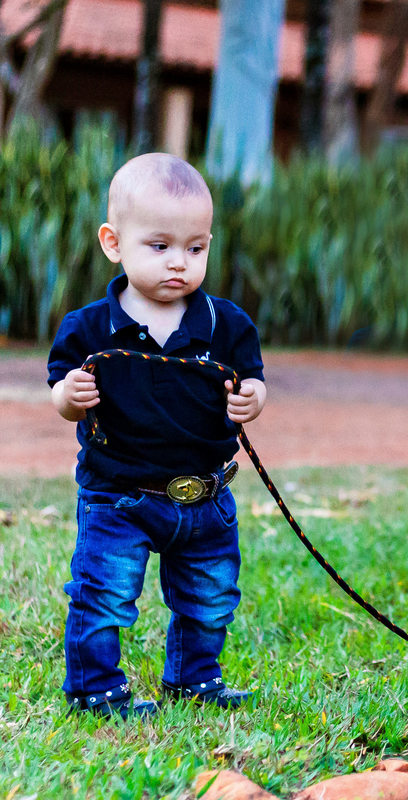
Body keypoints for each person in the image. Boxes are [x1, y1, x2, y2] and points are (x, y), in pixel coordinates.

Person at [47, 153, 266, 719]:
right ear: (113, 242)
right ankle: (95, 690)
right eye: (160, 246)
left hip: (207, 496)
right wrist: (69, 398)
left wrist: (252, 400)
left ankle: (194, 680)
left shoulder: (226, 325)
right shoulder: (90, 328)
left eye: (196, 248)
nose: (180, 263)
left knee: (210, 598)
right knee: (105, 596)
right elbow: (61, 393)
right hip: (119, 496)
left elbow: (254, 383)